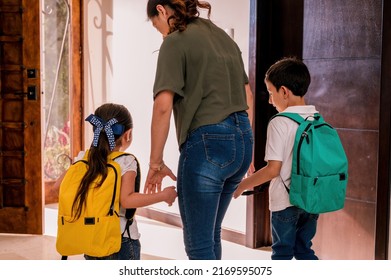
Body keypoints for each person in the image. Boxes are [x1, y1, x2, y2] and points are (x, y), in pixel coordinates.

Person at [144, 0, 254, 260]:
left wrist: (155, 162)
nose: (160, 31)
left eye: (156, 24)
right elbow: (247, 94)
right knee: (211, 235)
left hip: (208, 146)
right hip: (242, 141)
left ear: (161, 9)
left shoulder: (174, 40)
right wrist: (244, 145)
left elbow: (162, 106)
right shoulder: (222, 38)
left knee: (199, 246)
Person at [57, 103, 177, 260]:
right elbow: (127, 201)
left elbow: (59, 184)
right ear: (128, 135)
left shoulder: (84, 158)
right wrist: (163, 195)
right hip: (121, 241)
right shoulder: (126, 161)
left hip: (92, 237)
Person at [233, 57, 319, 260]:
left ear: (284, 92)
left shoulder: (280, 122)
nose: (270, 101)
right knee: (304, 250)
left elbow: (273, 170)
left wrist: (242, 185)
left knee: (282, 253)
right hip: (311, 200)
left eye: (271, 93)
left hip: (285, 202)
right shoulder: (316, 118)